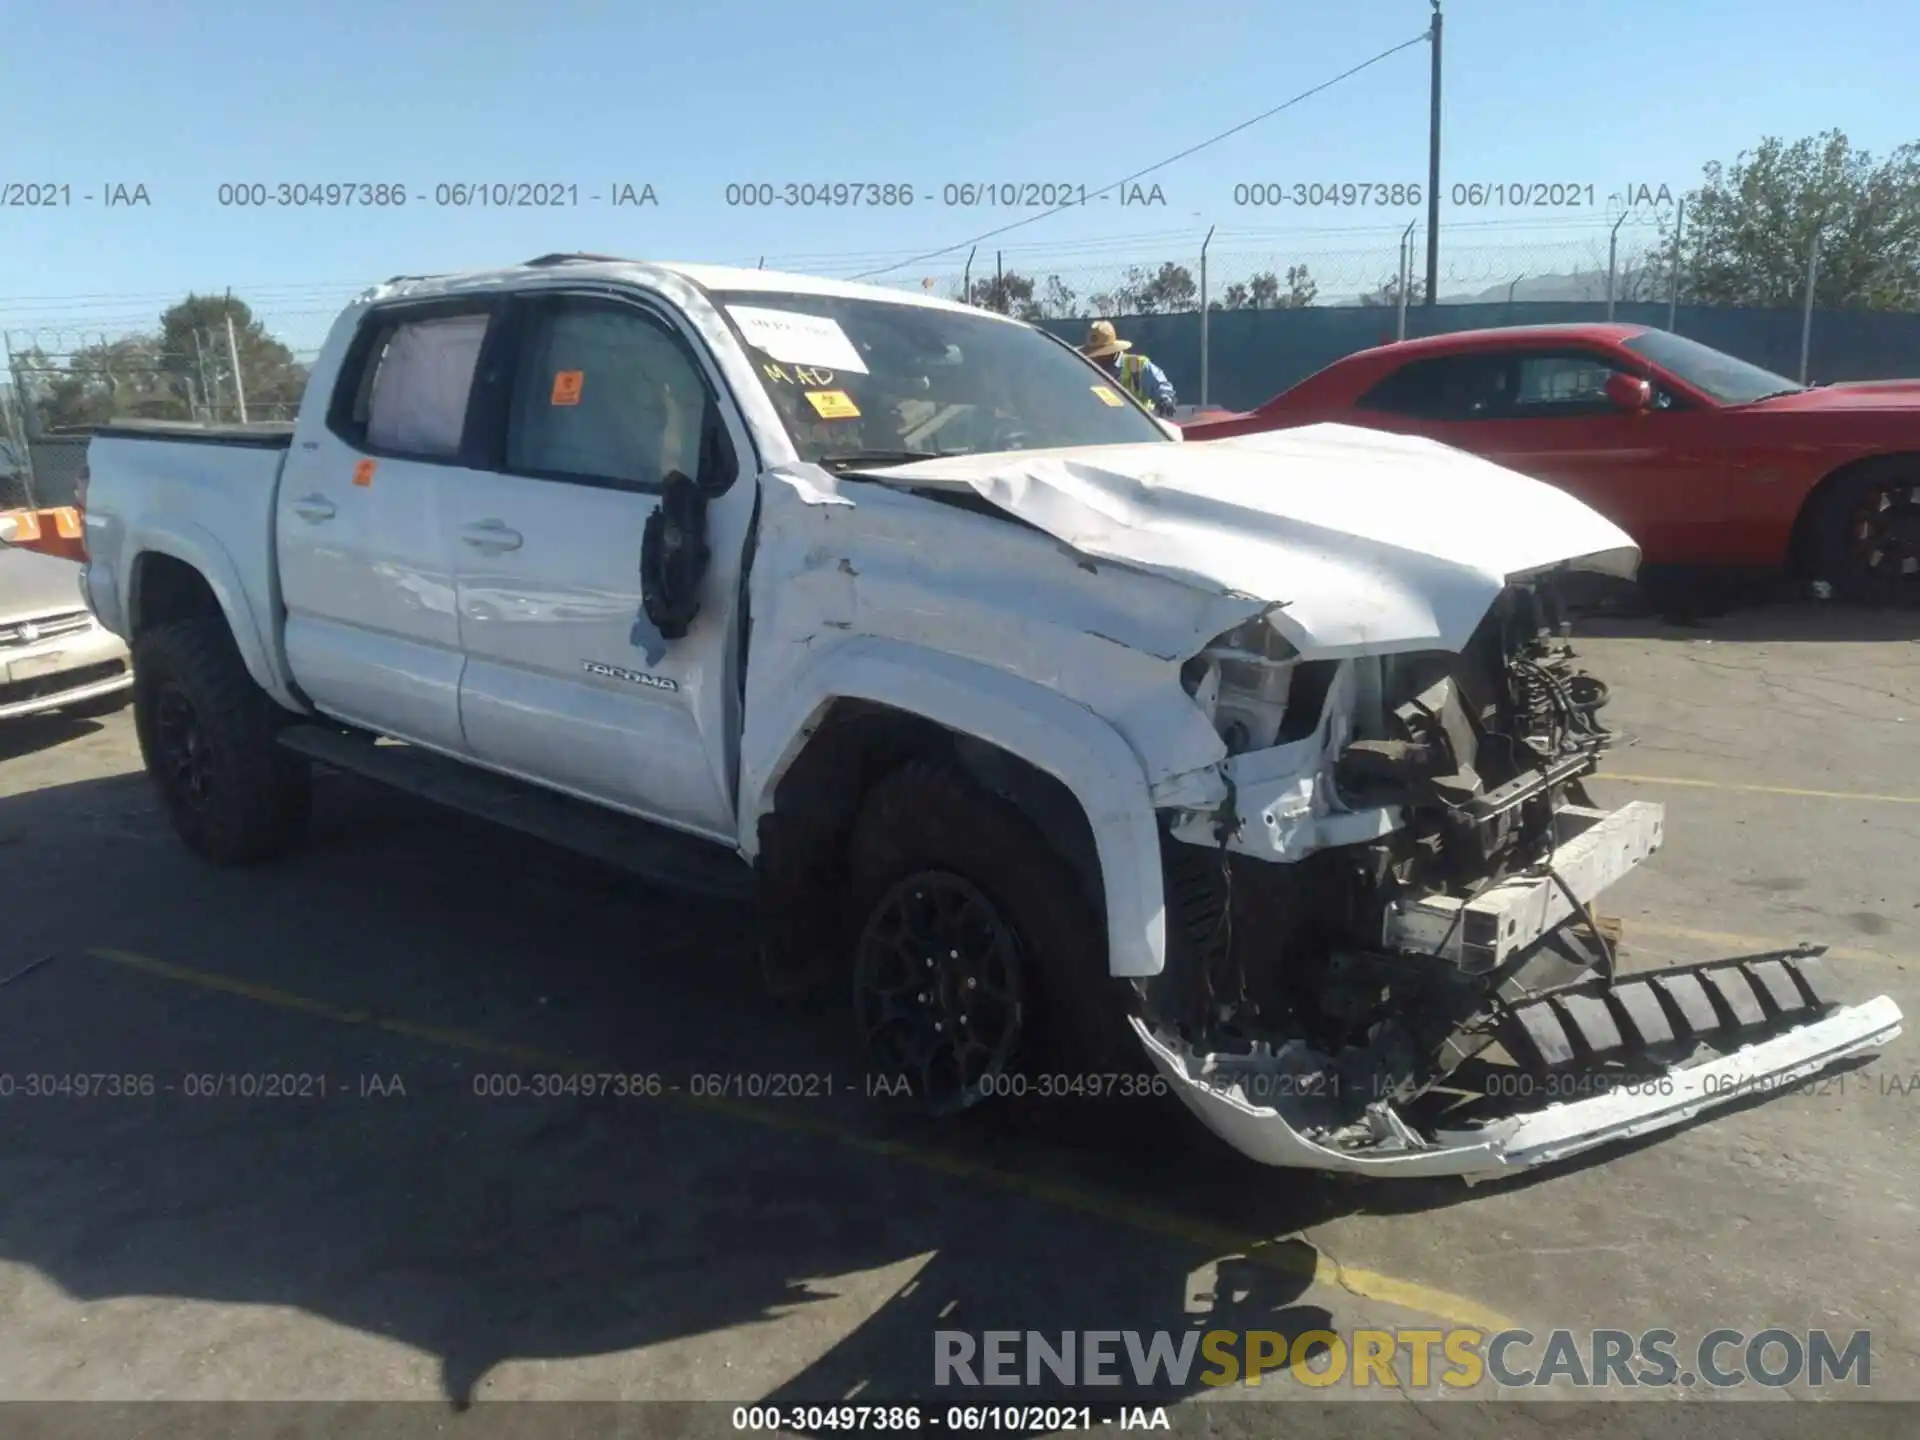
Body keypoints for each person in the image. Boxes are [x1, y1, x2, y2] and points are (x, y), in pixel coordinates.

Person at [1079, 319, 1177, 416]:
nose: (1097, 358)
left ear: (1112, 351)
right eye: (1094, 355)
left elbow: (1160, 386)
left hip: (1140, 424)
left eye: (1101, 354)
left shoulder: (1138, 365)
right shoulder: (1089, 370)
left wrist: (1164, 399)